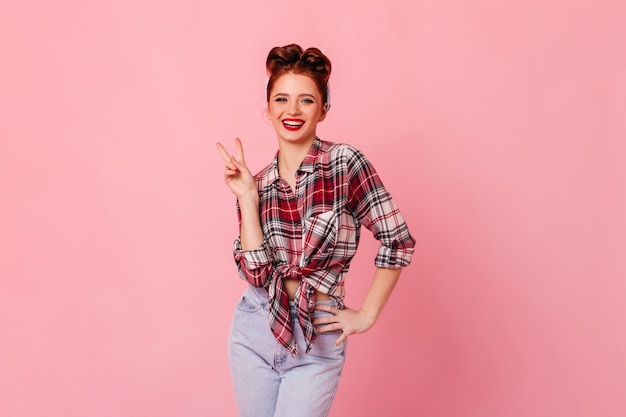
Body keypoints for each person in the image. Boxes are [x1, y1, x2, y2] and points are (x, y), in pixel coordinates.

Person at [215, 44, 415, 417]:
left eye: (306, 100)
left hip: (318, 332)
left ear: (323, 108)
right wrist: (246, 196)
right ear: (269, 109)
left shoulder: (344, 164)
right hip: (256, 326)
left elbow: (397, 239)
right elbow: (256, 273)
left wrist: (368, 314)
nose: (292, 110)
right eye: (282, 99)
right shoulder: (257, 182)